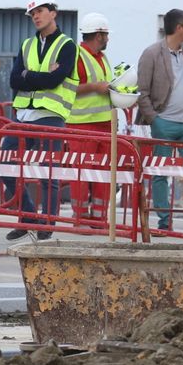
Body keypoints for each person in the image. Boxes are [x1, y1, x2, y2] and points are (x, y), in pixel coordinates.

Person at [4, 0, 76, 242]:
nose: (35, 16)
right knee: (5, 163)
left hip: (50, 116)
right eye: (32, 13)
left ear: (53, 13)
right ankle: (28, 217)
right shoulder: (27, 45)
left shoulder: (66, 45)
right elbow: (13, 78)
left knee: (48, 173)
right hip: (23, 115)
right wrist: (36, 77)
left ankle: (46, 224)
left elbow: (57, 79)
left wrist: (28, 75)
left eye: (40, 11)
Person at [136, 8, 183, 235]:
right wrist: (155, 120)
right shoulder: (151, 54)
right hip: (163, 122)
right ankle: (163, 221)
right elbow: (142, 92)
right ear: (179, 28)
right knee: (160, 173)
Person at [67, 11, 117, 219]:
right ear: (99, 35)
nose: (108, 38)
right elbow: (68, 88)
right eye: (106, 34)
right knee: (81, 172)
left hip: (105, 123)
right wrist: (96, 87)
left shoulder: (102, 58)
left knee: (104, 173)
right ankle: (80, 217)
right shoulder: (77, 56)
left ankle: (99, 217)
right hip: (82, 124)